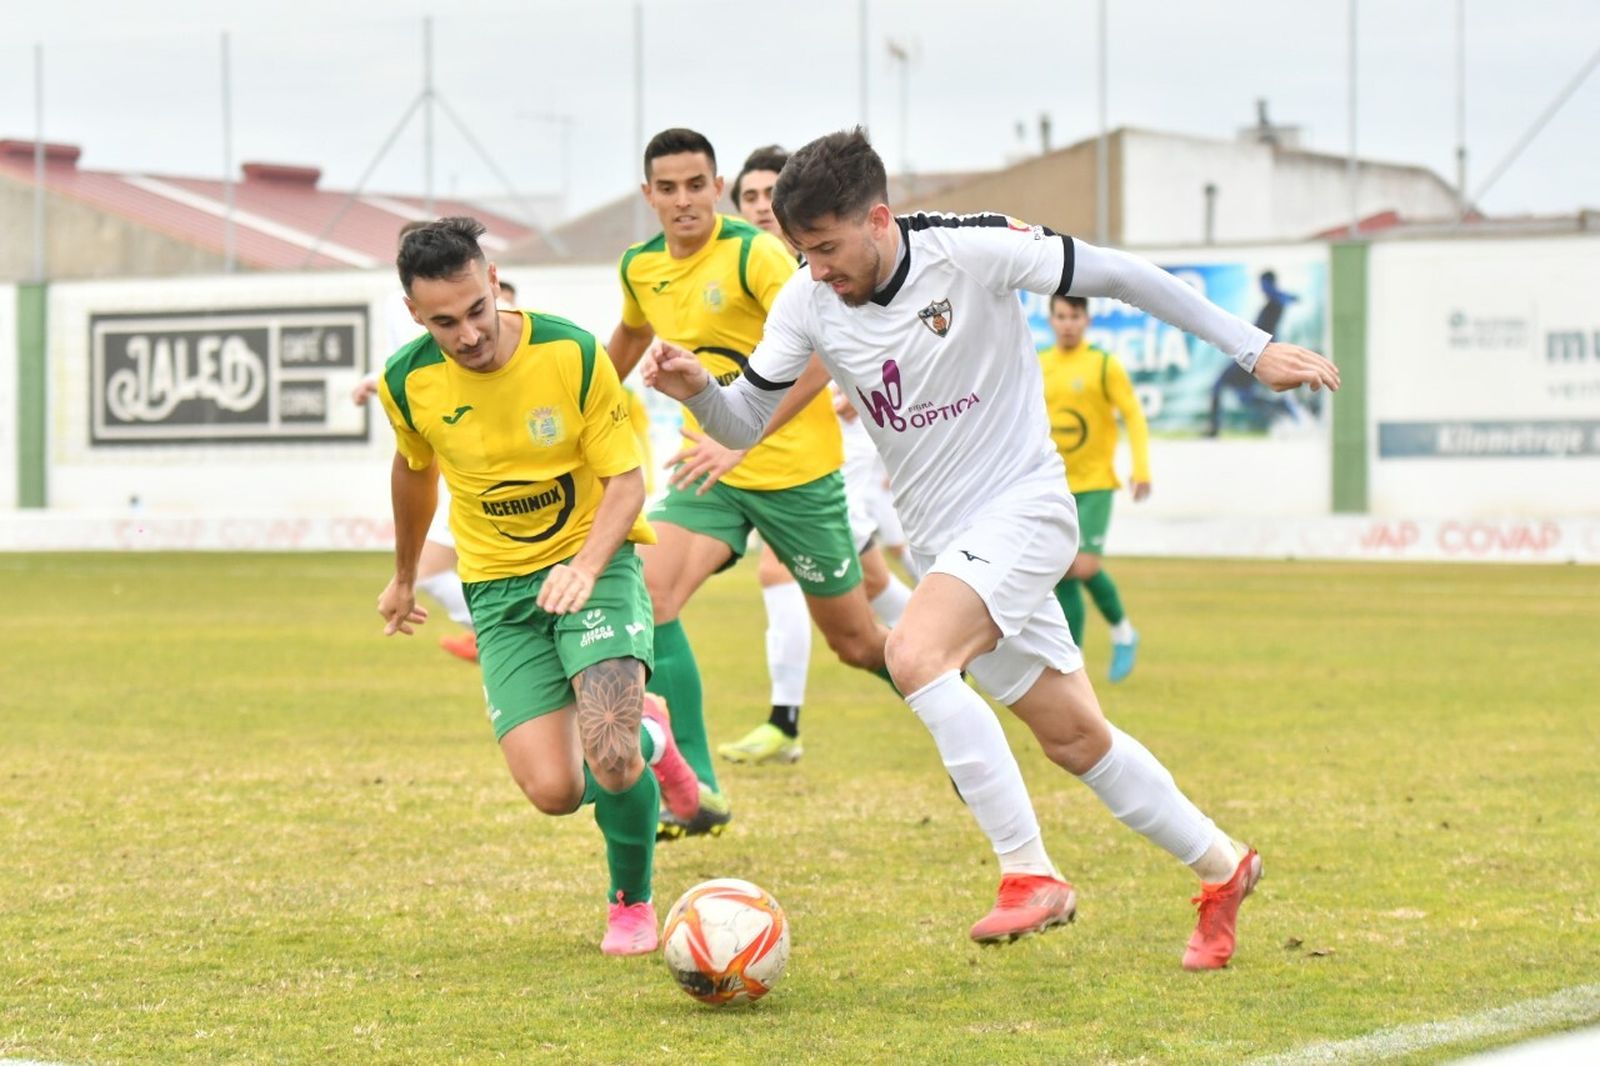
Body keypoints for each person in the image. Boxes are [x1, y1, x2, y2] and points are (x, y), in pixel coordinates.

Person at [645, 128, 1339, 968]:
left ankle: (1030, 871)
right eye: (802, 252)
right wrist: (699, 391)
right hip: (948, 546)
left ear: (877, 219)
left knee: (913, 652)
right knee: (1075, 739)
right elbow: (743, 421)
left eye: (826, 248)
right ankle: (1224, 867)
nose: (816, 270)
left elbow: (1122, 274)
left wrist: (1251, 349)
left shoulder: (971, 251)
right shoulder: (807, 299)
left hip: (1025, 510)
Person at [373, 216, 704, 955]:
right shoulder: (407, 381)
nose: (468, 335)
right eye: (444, 322)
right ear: (415, 314)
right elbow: (415, 471)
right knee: (556, 792)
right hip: (498, 591)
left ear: (494, 282)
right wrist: (403, 577)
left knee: (608, 754)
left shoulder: (570, 353)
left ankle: (630, 902)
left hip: (593, 566)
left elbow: (626, 482)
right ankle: (654, 739)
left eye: (477, 310)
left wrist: (584, 566)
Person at [605, 129, 893, 836]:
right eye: (667, 188)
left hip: (796, 474)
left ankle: (953, 692)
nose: (683, 200)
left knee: (857, 643)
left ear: (717, 187)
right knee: (652, 597)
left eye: (694, 185)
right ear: (648, 195)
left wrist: (744, 438)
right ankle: (697, 789)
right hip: (709, 471)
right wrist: (588, 399)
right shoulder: (641, 266)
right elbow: (631, 335)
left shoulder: (754, 254)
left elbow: (822, 353)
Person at [719, 144, 917, 766]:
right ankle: (958, 653)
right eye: (749, 197)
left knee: (779, 572)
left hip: (824, 455)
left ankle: (786, 720)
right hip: (772, 455)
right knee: (874, 582)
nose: (760, 208)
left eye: (769, 195)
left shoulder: (826, 268)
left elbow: (883, 333)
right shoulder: (747, 268)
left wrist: (859, 387)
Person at [352, 219, 479, 664]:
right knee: (429, 569)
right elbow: (410, 360)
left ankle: (493, 633)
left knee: (432, 569)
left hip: (469, 464)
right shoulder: (400, 307)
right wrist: (377, 380)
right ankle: (494, 633)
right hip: (447, 462)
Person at [1039, 294, 1149, 682]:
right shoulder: (1039, 363)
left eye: (1074, 316)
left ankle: (1123, 632)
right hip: (1053, 484)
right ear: (1051, 320)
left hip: (1096, 482)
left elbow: (1133, 415)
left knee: (1082, 565)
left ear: (1086, 319)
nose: (1068, 323)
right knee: (1061, 569)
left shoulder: (1103, 364)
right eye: (1061, 316)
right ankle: (1073, 661)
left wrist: (1141, 468)